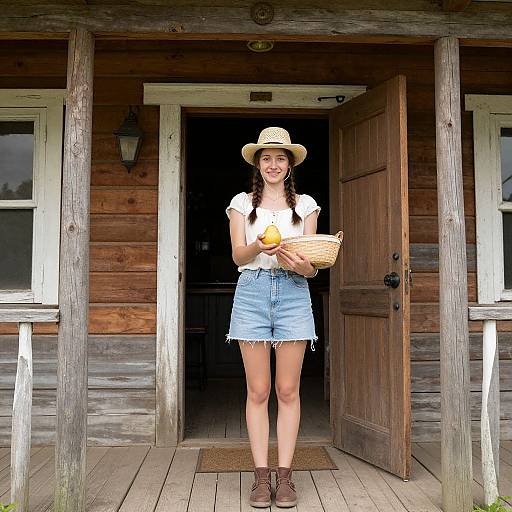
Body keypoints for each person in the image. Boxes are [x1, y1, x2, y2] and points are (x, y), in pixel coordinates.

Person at [225, 126, 320, 508]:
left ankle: (286, 477)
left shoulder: (307, 206)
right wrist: (261, 246)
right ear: (257, 163)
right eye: (267, 157)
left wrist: (303, 266)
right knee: (258, 391)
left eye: (281, 158)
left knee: (288, 391)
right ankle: (261, 478)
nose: (273, 164)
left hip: (294, 295)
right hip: (251, 292)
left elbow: (312, 266)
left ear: (290, 164)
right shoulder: (240, 204)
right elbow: (237, 256)